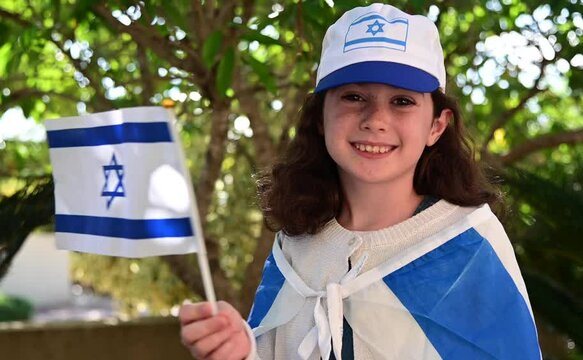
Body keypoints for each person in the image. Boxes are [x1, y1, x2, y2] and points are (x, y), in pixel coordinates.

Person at [179, 3, 541, 360]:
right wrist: (239, 353)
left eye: (402, 101)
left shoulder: (468, 242)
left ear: (436, 126)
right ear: (321, 116)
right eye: (354, 97)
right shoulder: (295, 245)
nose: (375, 119)